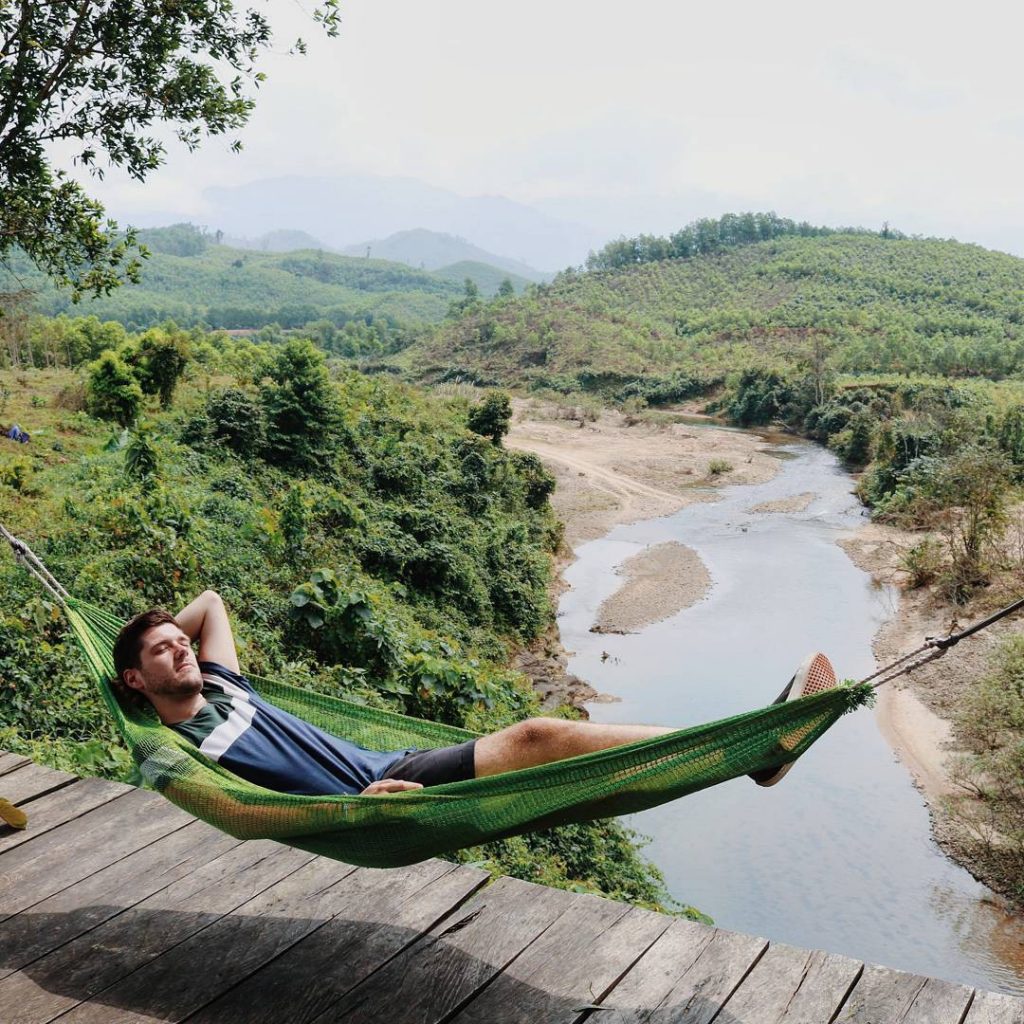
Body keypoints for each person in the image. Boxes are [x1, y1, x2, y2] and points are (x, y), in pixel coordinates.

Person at [113, 590, 837, 796]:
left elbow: (208, 602)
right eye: (162, 651)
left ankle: (747, 753)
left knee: (547, 754)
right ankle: (747, 749)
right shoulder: (178, 745)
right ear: (135, 682)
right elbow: (248, 810)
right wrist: (344, 814)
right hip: (368, 800)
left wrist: (162, 641)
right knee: (537, 738)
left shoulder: (224, 688)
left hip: (385, 767)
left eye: (181, 642)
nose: (183, 645)